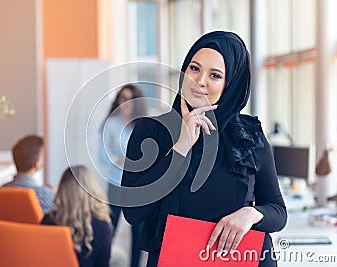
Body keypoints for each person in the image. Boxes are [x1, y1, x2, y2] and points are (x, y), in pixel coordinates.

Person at [121, 31, 287, 267]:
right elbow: (133, 213)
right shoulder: (150, 132)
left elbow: (278, 211)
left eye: (215, 75)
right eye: (194, 68)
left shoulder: (248, 136)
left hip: (241, 260)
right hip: (176, 259)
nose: (199, 81)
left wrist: (250, 215)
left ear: (231, 85)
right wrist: (180, 149)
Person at [99, 84, 147, 267]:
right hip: (116, 182)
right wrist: (120, 159)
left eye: (130, 99)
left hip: (139, 184)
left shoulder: (143, 124)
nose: (126, 103)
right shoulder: (111, 123)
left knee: (138, 230)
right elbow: (103, 157)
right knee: (109, 227)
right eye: (122, 98)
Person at [41, 165, 126, 267]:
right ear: (92, 190)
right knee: (121, 257)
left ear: (62, 190)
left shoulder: (48, 220)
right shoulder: (102, 226)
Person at [2, 134, 55, 214]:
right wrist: (56, 195)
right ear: (36, 164)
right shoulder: (44, 194)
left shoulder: (2, 190)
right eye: (43, 156)